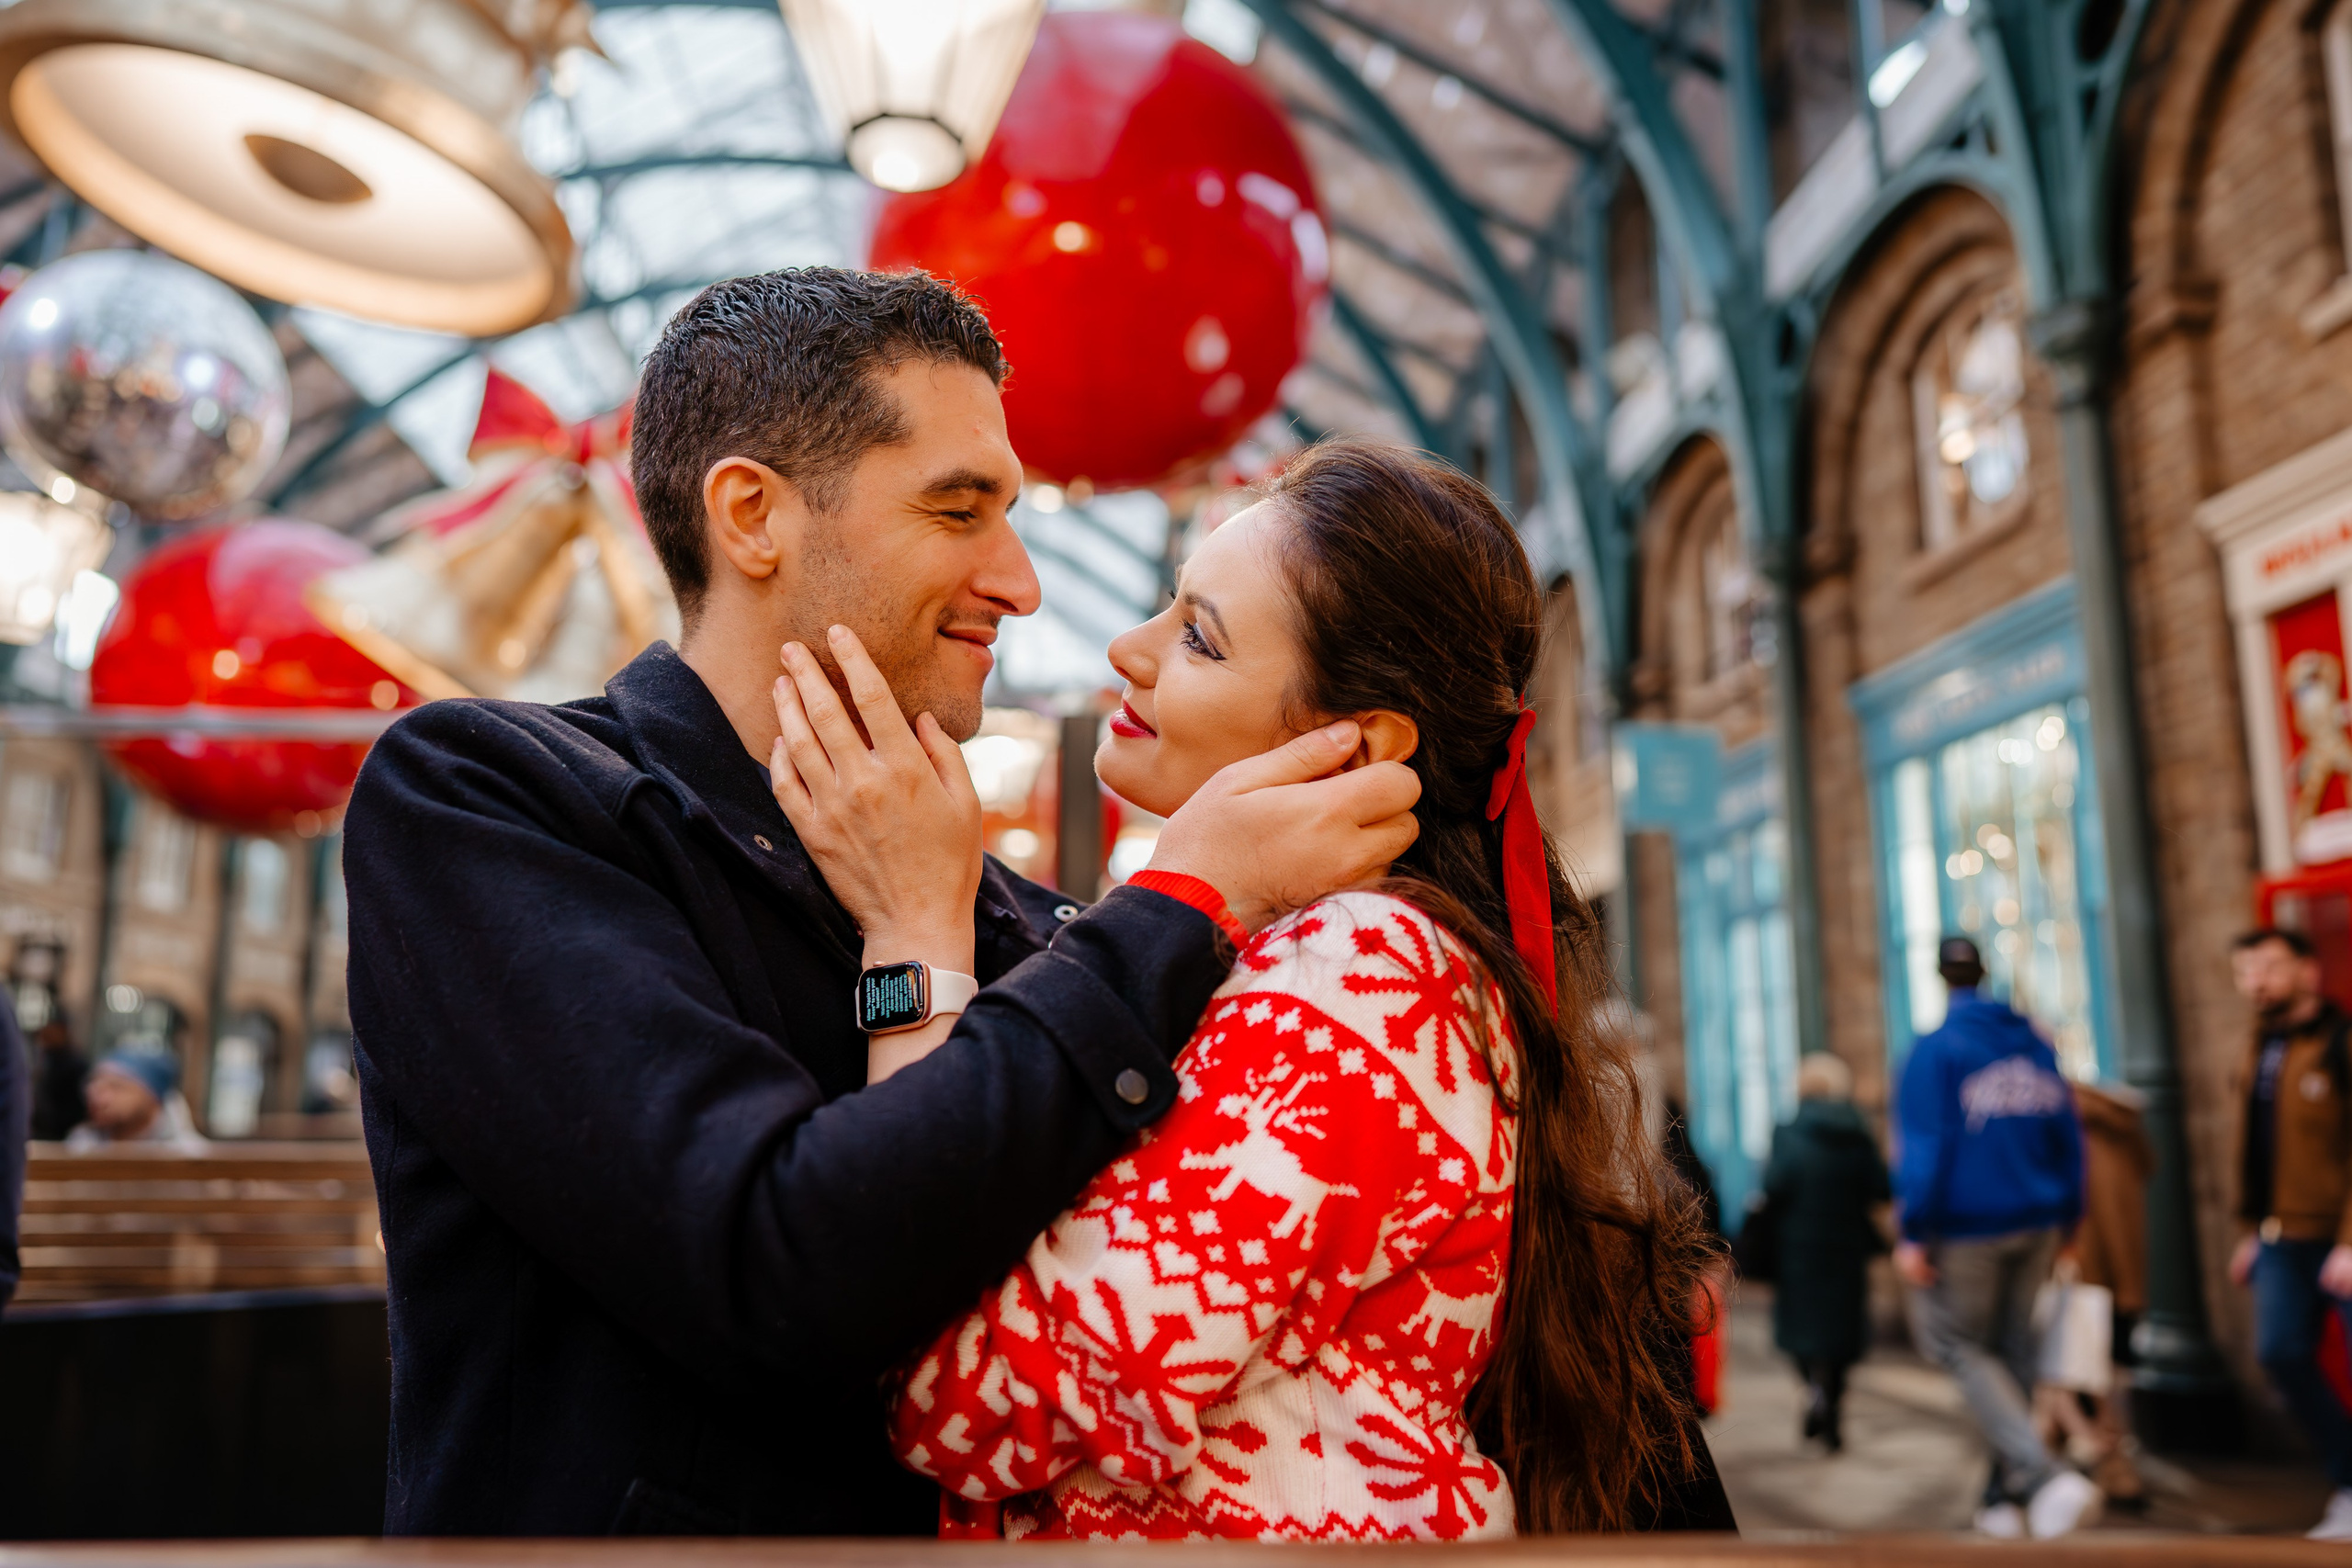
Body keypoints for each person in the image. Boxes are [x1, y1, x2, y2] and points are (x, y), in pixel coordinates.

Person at [340, 268, 1424, 1537]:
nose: (1022, 581)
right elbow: (768, 1269)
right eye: (959, 509)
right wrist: (1188, 895)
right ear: (752, 515)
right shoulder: (488, 797)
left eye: (1012, 514)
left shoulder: (1016, 915)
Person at [773, 442, 1733, 1536]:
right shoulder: (1342, 965)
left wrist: (914, 937)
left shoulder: (1358, 983)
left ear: (1351, 746)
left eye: (1197, 637)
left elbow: (968, 1400)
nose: (1126, 650)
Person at [1893, 935, 2097, 1540]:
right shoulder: (2034, 1042)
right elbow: (2068, 1135)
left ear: (1939, 977)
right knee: (2010, 1356)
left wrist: (1912, 1230)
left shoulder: (1935, 1050)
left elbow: (1924, 1147)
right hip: (2038, 1220)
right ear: (1984, 971)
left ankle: (2042, 1475)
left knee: (1959, 1346)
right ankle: (2001, 1500)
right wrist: (2071, 1220)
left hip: (1968, 1227)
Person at [2227, 928, 2352, 1541]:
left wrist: (2351, 1240)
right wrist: (2252, 1229)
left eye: (2271, 966)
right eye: (2246, 970)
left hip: (2341, 1236)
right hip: (2280, 1236)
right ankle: (2349, 1479)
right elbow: (2256, 1148)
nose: (2258, 981)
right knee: (2279, 1352)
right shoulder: (2257, 1048)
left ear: (2308, 969)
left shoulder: (2340, 1040)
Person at [1760, 1050, 1888, 1453]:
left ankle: (1814, 1393)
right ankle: (1831, 1400)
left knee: (1803, 1334)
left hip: (1798, 1250)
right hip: (1846, 1248)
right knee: (1841, 1335)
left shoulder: (1787, 1132)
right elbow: (1881, 1188)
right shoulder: (1859, 1133)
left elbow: (1774, 1186)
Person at [2061, 1077, 2153, 1505]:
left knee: (2081, 1367)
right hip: (2121, 1269)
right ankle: (2112, 1456)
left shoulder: (2061, 1120)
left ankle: (2106, 1460)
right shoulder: (2122, 1120)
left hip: (2077, 1267)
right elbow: (2150, 1167)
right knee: (2113, 1363)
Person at [62, 1043, 205, 1152]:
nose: (98, 1098)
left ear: (153, 1096)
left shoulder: (194, 1157)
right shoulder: (81, 1143)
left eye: (116, 1087)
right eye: (95, 1086)